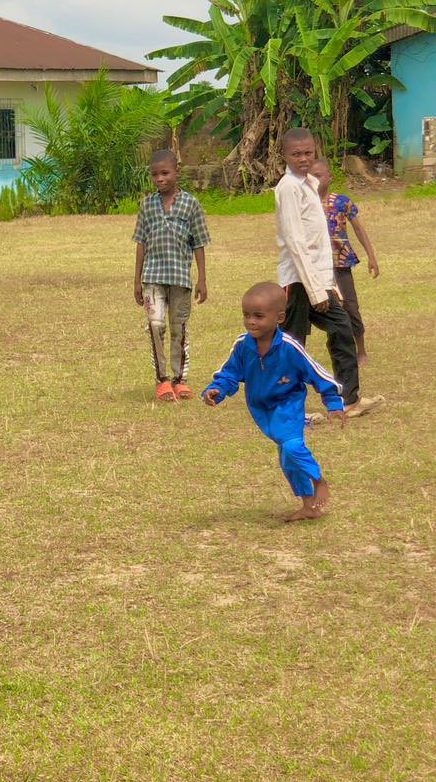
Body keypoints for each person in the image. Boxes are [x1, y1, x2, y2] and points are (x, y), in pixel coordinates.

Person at [202, 282, 345, 522]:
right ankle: (308, 505)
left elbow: (316, 373)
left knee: (292, 446)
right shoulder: (242, 346)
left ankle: (319, 480)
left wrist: (333, 401)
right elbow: (229, 373)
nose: (251, 322)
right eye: (246, 316)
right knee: (287, 458)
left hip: (288, 404)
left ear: (279, 317)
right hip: (261, 410)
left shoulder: (290, 348)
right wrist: (216, 389)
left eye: (258, 316)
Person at [275, 128, 382, 418]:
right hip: (297, 282)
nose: (303, 158)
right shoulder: (288, 188)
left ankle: (349, 401)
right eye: (296, 154)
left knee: (342, 328)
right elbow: (296, 244)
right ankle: (288, 409)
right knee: (293, 345)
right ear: (284, 155)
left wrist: (328, 285)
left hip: (318, 280)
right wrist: (314, 290)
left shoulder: (309, 183)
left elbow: (320, 244)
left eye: (308, 152)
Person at [133, 149, 210, 401]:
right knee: (156, 326)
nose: (160, 179)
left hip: (180, 278)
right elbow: (141, 243)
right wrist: (137, 280)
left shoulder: (191, 204)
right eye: (154, 175)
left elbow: (198, 242)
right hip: (152, 277)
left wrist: (202, 279)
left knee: (180, 328)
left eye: (165, 173)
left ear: (177, 172)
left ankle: (180, 380)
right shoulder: (147, 205)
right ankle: (162, 380)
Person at [309, 158, 379, 366]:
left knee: (350, 305)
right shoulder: (305, 205)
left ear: (330, 178)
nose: (315, 180)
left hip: (340, 263)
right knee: (321, 307)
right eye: (311, 176)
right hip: (314, 266)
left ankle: (361, 349)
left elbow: (358, 229)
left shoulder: (342, 202)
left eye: (319, 175)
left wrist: (371, 257)